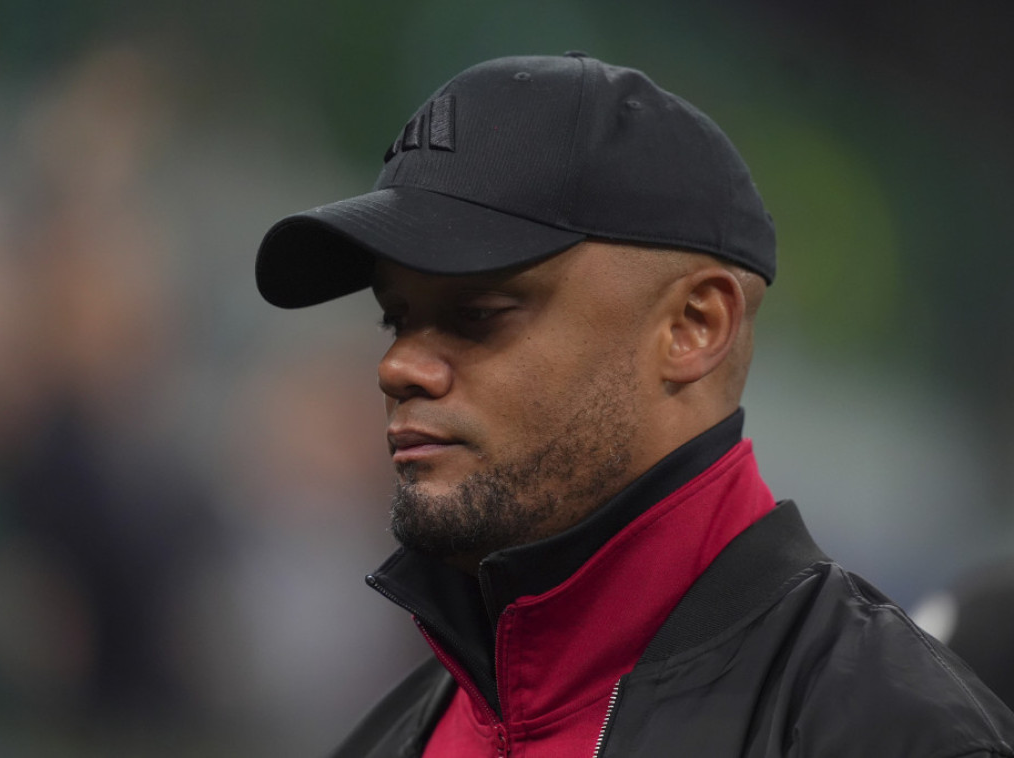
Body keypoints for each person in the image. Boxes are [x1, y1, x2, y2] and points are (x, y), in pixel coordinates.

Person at [255, 53, 1014, 757]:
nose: (398, 367)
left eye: (477, 314)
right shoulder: (390, 737)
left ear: (693, 326)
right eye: (397, 319)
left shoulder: (892, 732)